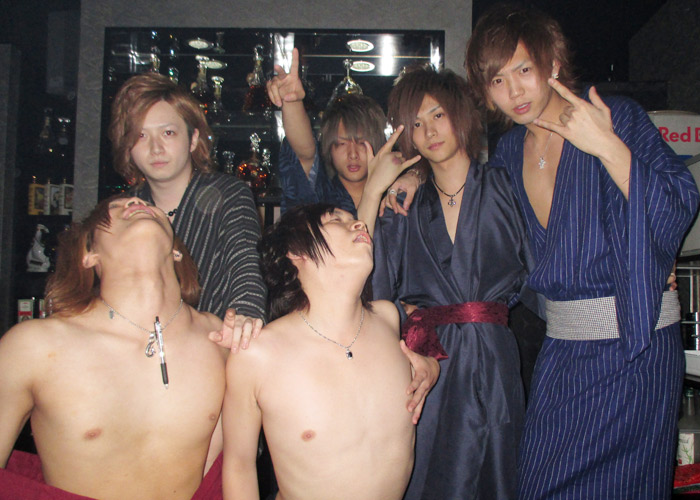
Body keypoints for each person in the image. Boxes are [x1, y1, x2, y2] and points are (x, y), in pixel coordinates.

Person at [465, 4, 700, 499]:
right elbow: (498, 246)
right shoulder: (508, 154)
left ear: (552, 63)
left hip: (635, 344)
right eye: (497, 80)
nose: (514, 92)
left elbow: (678, 200)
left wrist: (606, 145)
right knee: (538, 482)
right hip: (565, 349)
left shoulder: (615, 117)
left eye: (523, 70)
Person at [371, 65, 539, 499]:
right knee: (432, 474)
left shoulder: (506, 187)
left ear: (461, 113)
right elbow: (377, 286)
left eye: (438, 115)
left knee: (497, 474)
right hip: (432, 361)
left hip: (496, 357)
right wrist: (381, 190)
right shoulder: (403, 204)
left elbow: (546, 263)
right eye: (416, 123)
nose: (429, 131)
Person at [0, 196, 227, 500]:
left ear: (176, 251)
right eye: (114, 209)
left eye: (150, 207)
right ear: (89, 255)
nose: (135, 200)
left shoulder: (219, 339)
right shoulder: (33, 347)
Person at [221, 204, 419, 500]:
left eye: (356, 219)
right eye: (336, 220)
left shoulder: (388, 319)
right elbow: (239, 466)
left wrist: (429, 366)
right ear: (296, 251)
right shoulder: (258, 354)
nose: (360, 225)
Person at [109, 73, 266, 336]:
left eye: (168, 133)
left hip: (212, 342)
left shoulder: (229, 194)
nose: (156, 148)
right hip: (136, 344)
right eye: (141, 135)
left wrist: (245, 315)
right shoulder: (121, 211)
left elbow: (246, 264)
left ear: (193, 139)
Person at [267, 48, 423, 218]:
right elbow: (303, 153)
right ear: (329, 148)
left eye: (362, 143)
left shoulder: (396, 194)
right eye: (341, 143)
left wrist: (417, 175)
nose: (353, 154)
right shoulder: (321, 195)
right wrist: (292, 102)